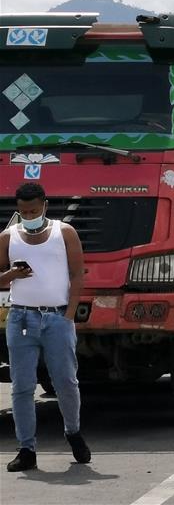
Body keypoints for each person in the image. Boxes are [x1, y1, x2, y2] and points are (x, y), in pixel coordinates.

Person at [1, 183, 91, 472]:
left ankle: (73, 431)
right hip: (20, 318)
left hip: (56, 318)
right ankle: (26, 448)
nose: (29, 216)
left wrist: (69, 315)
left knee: (65, 381)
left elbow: (77, 275)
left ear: (45, 206)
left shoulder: (64, 232)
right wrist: (12, 274)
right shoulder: (8, 237)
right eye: (24, 212)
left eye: (34, 211)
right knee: (22, 387)